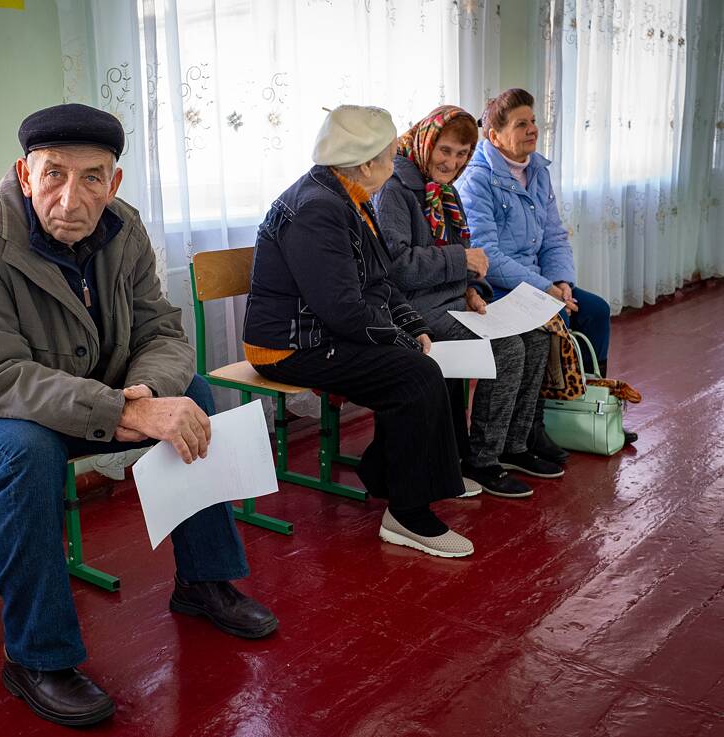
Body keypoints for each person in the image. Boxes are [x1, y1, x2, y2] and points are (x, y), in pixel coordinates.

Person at [0, 103, 277, 728]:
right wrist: (123, 411)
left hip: (79, 390)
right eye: (53, 175)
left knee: (194, 397)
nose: (71, 198)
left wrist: (148, 393)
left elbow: (163, 329)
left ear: (114, 183)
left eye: (92, 177)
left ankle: (204, 580)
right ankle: (36, 657)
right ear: (24, 174)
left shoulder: (125, 229)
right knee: (26, 452)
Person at [244, 104, 473, 559]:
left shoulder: (345, 194)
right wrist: (405, 343)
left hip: (320, 331)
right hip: (288, 345)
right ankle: (407, 514)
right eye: (390, 156)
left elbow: (378, 280)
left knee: (420, 365)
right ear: (368, 163)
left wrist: (413, 326)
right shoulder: (319, 208)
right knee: (416, 374)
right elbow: (343, 309)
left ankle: (388, 475)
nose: (395, 163)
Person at [373, 105, 562, 498]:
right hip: (412, 312)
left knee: (536, 338)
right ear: (426, 143)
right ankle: (482, 459)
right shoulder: (395, 189)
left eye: (462, 155)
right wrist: (462, 262)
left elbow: (457, 258)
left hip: (452, 302)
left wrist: (474, 290)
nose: (452, 162)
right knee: (508, 349)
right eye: (445, 151)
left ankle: (514, 445)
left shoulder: (444, 190)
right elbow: (398, 268)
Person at [456, 88, 638, 456]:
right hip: (498, 286)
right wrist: (544, 289)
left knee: (596, 310)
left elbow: (554, 235)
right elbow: (487, 254)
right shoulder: (477, 179)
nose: (532, 129)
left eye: (534, 121)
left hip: (537, 283)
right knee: (556, 319)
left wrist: (562, 282)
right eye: (521, 124)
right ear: (495, 136)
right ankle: (539, 425)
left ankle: (588, 407)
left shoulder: (537, 170)